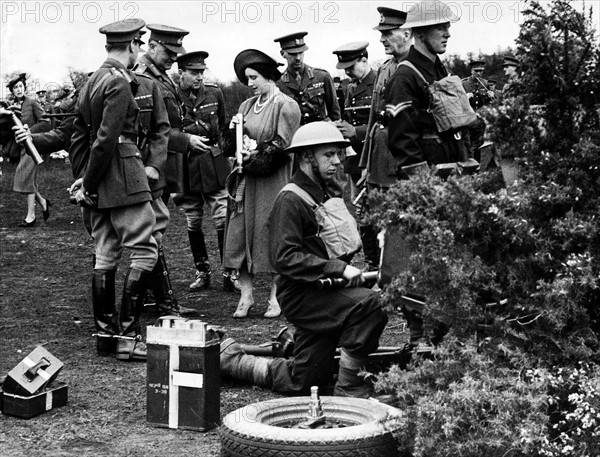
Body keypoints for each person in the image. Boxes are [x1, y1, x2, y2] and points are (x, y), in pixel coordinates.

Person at [220, 122, 388, 398]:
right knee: (370, 305)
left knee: (305, 381)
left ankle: (234, 361)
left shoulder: (321, 191)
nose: (337, 161)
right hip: (302, 295)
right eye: (329, 155)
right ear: (308, 156)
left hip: (324, 289)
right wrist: (338, 268)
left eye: (338, 155)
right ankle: (349, 387)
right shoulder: (290, 199)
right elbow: (284, 258)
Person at [69, 18, 159, 361]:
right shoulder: (120, 83)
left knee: (105, 253)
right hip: (122, 174)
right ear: (134, 44)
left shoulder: (91, 81)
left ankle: (105, 337)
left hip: (99, 177)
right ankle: (127, 337)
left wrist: (83, 180)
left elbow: (80, 136)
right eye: (141, 46)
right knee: (145, 251)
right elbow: (106, 139)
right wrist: (88, 182)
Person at [385, 0, 469, 349]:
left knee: (447, 258)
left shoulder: (438, 68)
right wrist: (425, 188)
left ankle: (442, 332)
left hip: (450, 176)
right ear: (420, 33)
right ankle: (421, 337)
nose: (447, 32)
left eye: (448, 27)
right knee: (416, 260)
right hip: (426, 184)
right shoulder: (406, 76)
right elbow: (402, 142)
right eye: (440, 28)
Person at [224, 49, 301, 318]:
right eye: (246, 78)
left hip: (273, 180)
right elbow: (232, 142)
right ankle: (246, 296)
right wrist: (234, 138)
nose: (250, 83)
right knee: (240, 233)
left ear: (269, 75)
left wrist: (254, 155)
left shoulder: (286, 105)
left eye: (254, 77)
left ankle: (275, 297)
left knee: (271, 234)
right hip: (247, 180)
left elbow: (283, 145)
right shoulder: (246, 106)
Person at [133, 23, 197, 317]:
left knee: (155, 229)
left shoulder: (160, 76)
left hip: (163, 165)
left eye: (176, 53)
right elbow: (151, 128)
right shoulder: (142, 77)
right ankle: (163, 302)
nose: (173, 58)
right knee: (152, 231)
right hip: (149, 165)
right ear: (153, 45)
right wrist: (186, 140)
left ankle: (155, 298)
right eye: (168, 52)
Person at [172, 51, 240, 293]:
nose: (199, 77)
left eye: (202, 72)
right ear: (181, 73)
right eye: (194, 72)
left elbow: (222, 125)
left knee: (223, 216)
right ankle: (202, 272)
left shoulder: (214, 93)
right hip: (185, 164)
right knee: (193, 219)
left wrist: (225, 153)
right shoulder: (169, 95)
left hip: (212, 162)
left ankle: (229, 272)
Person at [357, 6, 412, 269]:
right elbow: (372, 122)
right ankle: (378, 269)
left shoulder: (415, 68)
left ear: (407, 32)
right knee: (374, 218)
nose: (382, 39)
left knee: (400, 223)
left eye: (388, 33)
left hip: (402, 159)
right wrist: (366, 165)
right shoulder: (385, 68)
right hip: (379, 157)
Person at [332, 41, 376, 200]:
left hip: (374, 156)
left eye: (351, 67)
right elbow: (348, 117)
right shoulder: (350, 88)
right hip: (355, 158)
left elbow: (385, 123)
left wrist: (355, 131)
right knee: (357, 207)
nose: (347, 71)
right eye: (345, 68)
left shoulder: (379, 83)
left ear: (364, 61)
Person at [7, 73, 50, 227]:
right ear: (12, 91)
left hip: (33, 147)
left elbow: (46, 121)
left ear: (24, 87)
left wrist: (30, 132)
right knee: (27, 179)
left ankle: (31, 216)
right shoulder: (12, 105)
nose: (18, 89)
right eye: (15, 87)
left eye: (20, 86)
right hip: (21, 148)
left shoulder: (32, 102)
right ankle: (44, 203)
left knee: (24, 178)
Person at [274, 32, 341, 125]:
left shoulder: (321, 76)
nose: (298, 58)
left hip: (322, 131)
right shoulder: (278, 84)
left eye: (301, 53)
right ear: (283, 54)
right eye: (293, 54)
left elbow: (335, 112)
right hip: (295, 134)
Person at [461, 60, 494, 151]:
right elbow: (457, 101)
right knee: (467, 143)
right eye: (476, 71)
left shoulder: (485, 83)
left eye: (481, 71)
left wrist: (490, 97)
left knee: (479, 144)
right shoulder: (464, 83)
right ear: (471, 71)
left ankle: (478, 163)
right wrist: (465, 98)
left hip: (480, 119)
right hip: (467, 118)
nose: (479, 73)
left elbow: (488, 103)